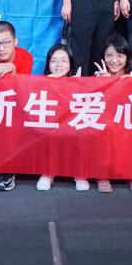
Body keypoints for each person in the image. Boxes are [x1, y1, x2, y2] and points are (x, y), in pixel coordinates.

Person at [0, 21, 35, 192]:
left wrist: (13, 70)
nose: (1, 48)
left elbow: (22, 93)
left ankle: (8, 170)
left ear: (15, 41)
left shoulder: (25, 57)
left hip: (19, 109)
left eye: (5, 42)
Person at [92, 35, 132, 193]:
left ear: (127, 58)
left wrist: (114, 84)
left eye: (120, 55)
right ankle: (102, 173)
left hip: (128, 122)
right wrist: (104, 84)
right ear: (103, 56)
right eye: (109, 55)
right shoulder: (96, 77)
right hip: (105, 124)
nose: (114, 60)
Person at [36, 44, 90, 192]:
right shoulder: (40, 82)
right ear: (48, 63)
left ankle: (79, 174)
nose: (58, 65)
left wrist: (76, 86)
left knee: (81, 134)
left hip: (73, 126)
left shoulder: (79, 81)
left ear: (71, 63)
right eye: (54, 61)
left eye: (63, 60)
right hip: (50, 126)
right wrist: (48, 85)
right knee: (50, 134)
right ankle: (48, 173)